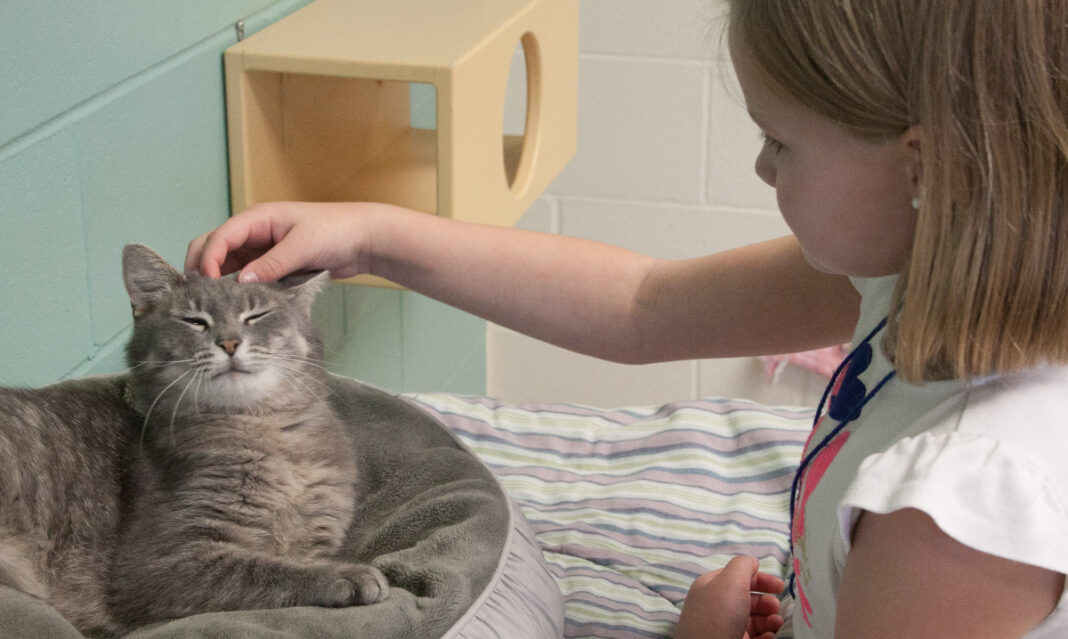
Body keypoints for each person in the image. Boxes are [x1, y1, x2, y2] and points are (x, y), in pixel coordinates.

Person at [186, 1, 1068, 637]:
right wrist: (373, 235)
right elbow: (644, 305)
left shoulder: (959, 508)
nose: (763, 170)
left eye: (781, 141)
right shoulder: (925, 264)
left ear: (922, 167)